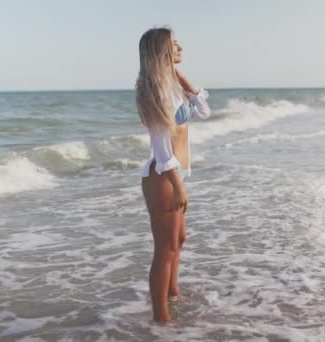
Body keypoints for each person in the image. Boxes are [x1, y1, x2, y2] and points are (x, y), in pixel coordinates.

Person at [135, 27, 211, 323]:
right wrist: (179, 188)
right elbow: (161, 147)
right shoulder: (154, 91)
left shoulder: (171, 87)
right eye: (174, 44)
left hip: (173, 175)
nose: (181, 47)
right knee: (164, 249)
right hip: (163, 176)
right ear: (162, 51)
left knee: (179, 239)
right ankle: (161, 318)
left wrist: (180, 77)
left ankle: (173, 293)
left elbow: (203, 111)